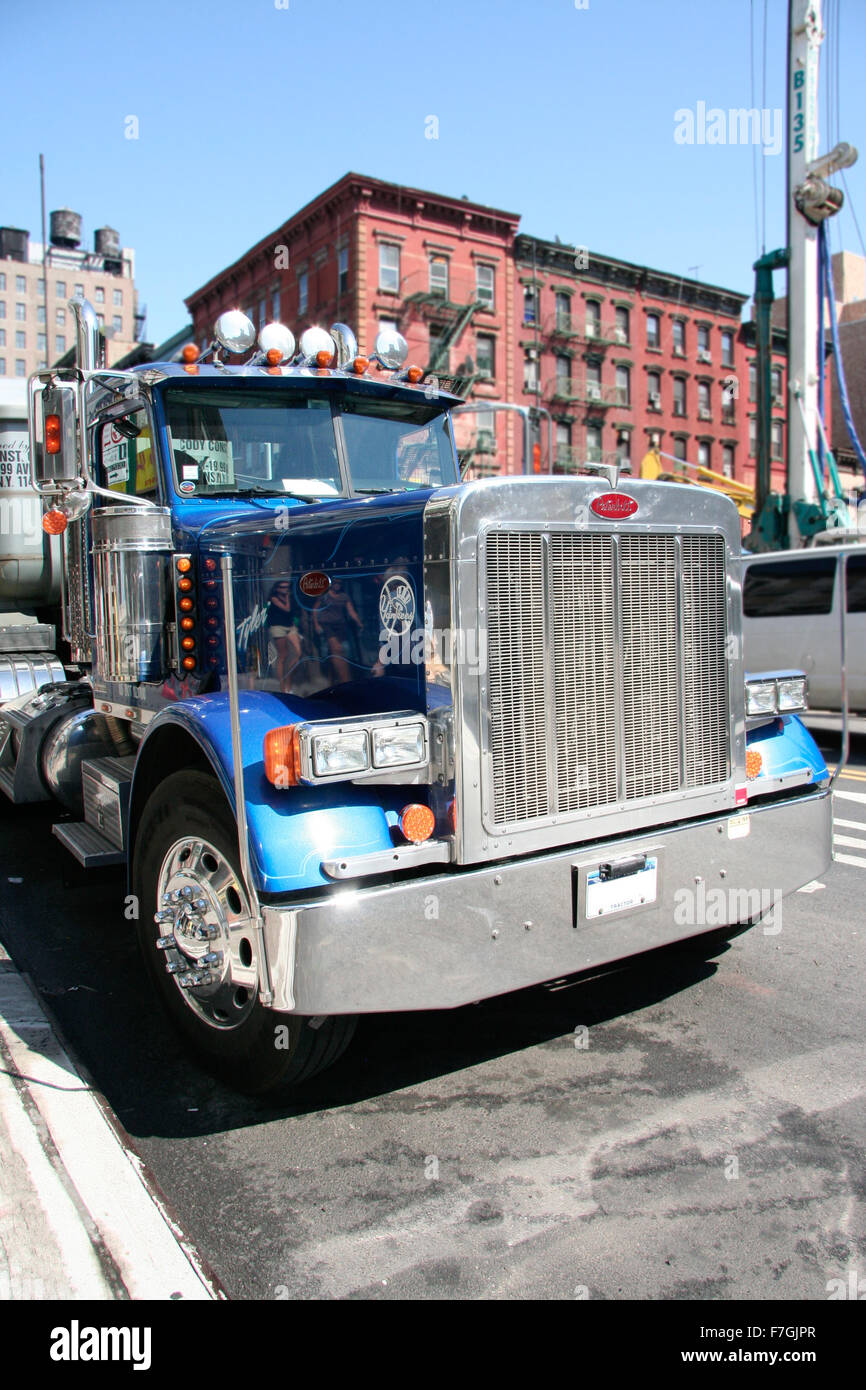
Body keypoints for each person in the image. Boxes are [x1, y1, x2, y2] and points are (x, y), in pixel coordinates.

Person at [313, 578, 363, 685]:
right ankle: (343, 679)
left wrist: (359, 622)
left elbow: (351, 611)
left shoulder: (344, 597)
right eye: (335, 583)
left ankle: (335, 678)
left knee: (340, 653)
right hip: (327, 625)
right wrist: (316, 624)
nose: (337, 585)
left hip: (340, 626)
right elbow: (315, 609)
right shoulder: (324, 595)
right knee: (336, 649)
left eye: (339, 583)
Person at [266, 580, 302, 693]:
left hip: (290, 626)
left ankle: (288, 681)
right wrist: (287, 598)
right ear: (277, 589)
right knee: (283, 655)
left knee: (298, 653)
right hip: (278, 626)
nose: (285, 589)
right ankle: (283, 687)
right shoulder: (274, 598)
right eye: (282, 587)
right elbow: (286, 609)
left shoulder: (291, 597)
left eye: (287, 587)